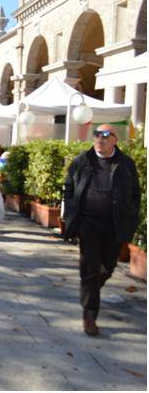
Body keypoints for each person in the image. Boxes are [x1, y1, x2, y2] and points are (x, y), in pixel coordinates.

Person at [63, 124, 140, 336]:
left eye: (106, 135)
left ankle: (90, 289)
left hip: (115, 224)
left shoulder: (125, 164)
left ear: (116, 139)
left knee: (108, 267)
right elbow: (69, 187)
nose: (100, 138)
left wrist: (131, 216)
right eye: (97, 134)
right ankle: (89, 315)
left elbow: (136, 193)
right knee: (90, 266)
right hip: (88, 223)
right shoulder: (82, 160)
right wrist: (71, 211)